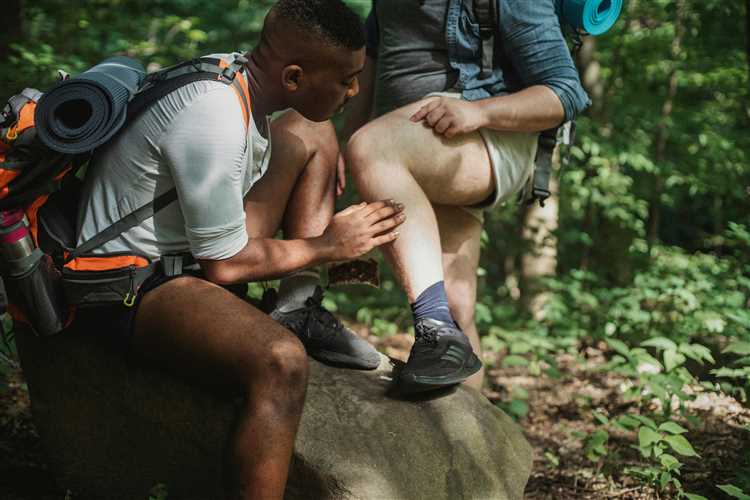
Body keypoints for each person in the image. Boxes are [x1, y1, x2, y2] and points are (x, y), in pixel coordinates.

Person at [74, 1, 404, 498]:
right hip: (127, 280)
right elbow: (225, 265)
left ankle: (298, 304)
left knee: (313, 130)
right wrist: (327, 246)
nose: (355, 90)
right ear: (293, 77)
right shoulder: (215, 116)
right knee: (281, 361)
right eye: (345, 80)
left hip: (181, 255)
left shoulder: (237, 78)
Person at [343, 0, 590, 394]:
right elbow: (373, 63)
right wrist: (345, 149)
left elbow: (565, 94)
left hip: (482, 137)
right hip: (413, 144)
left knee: (372, 147)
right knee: (458, 307)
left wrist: (480, 112)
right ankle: (476, 446)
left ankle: (435, 330)